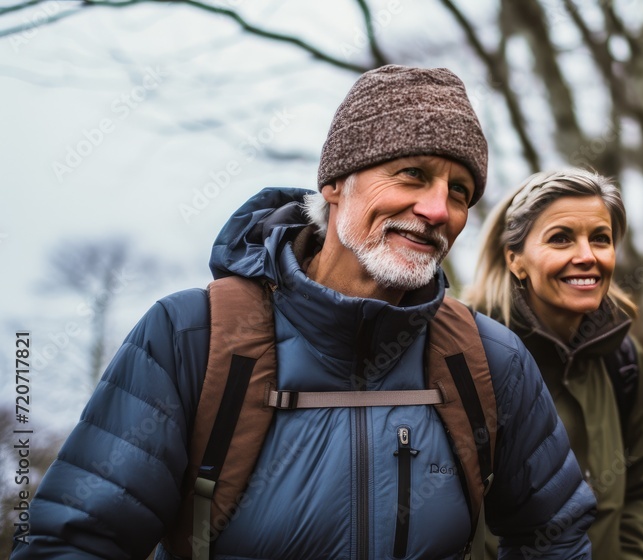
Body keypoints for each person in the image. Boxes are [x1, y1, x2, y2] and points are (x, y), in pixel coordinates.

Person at [12, 66, 596, 559]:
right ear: (337, 182)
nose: (438, 209)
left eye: (461, 191)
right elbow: (76, 542)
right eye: (412, 174)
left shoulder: (488, 359)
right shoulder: (190, 338)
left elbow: (557, 534)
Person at [466, 169, 643, 559]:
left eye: (600, 239)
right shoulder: (469, 362)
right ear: (516, 261)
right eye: (561, 238)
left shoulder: (622, 358)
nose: (586, 256)